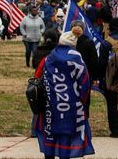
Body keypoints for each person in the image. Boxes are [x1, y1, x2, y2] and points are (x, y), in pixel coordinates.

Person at [32, 27, 94, 159]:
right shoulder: (76, 58)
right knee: (65, 137)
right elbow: (85, 83)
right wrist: (81, 101)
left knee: (49, 135)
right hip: (69, 105)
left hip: (49, 106)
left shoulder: (47, 59)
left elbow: (36, 79)